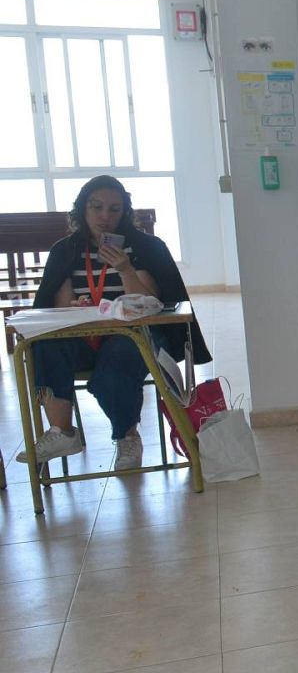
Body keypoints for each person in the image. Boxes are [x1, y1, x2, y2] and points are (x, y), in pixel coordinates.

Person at [18, 175, 209, 471]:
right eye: (97, 207)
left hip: (132, 333)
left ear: (125, 213)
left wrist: (124, 268)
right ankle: (62, 432)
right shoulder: (65, 251)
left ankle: (127, 435)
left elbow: (150, 304)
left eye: (114, 209)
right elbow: (58, 305)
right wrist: (74, 306)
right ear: (83, 209)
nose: (105, 216)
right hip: (85, 334)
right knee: (44, 344)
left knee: (119, 358)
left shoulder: (144, 247)